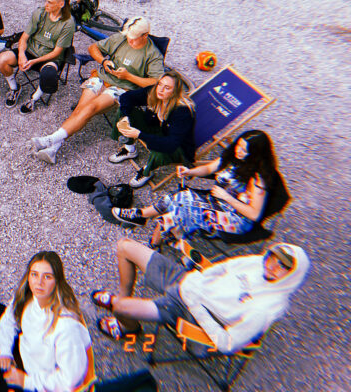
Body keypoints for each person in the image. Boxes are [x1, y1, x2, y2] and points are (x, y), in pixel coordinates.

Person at [90, 238, 309, 354]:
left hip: (190, 311)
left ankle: (129, 326)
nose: (273, 266)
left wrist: (195, 305)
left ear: (292, 276)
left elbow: (227, 343)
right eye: (273, 257)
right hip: (189, 282)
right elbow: (225, 267)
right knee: (124, 246)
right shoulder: (257, 263)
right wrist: (199, 277)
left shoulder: (266, 308)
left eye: (283, 266)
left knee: (121, 308)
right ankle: (122, 297)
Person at [113, 130, 290, 247]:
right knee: (181, 200)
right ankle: (156, 237)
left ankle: (147, 224)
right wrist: (190, 171)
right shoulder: (234, 158)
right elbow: (209, 169)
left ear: (256, 154)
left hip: (235, 218)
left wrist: (227, 197)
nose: (239, 151)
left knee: (182, 204)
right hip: (216, 203)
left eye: (245, 150)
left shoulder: (259, 179)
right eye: (239, 146)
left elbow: (254, 215)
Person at [31, 17, 164, 165]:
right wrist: (104, 61)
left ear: (145, 35)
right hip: (101, 77)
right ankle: (54, 149)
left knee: (90, 108)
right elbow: (93, 48)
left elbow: (156, 82)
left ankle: (51, 139)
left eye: (133, 39)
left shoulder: (152, 54)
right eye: (128, 37)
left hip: (122, 88)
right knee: (80, 109)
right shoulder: (122, 38)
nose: (129, 41)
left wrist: (128, 76)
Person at [0, 251, 95, 392]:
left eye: (47, 277)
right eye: (34, 274)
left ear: (57, 281)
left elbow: (70, 382)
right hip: (26, 351)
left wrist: (26, 381)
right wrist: (5, 351)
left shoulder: (66, 326)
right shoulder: (29, 297)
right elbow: (8, 319)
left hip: (40, 378)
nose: (39, 282)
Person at [107, 71, 195, 188]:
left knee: (159, 148)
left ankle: (147, 171)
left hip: (176, 147)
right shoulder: (154, 92)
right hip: (156, 129)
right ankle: (130, 150)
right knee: (125, 112)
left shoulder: (182, 111)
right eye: (160, 84)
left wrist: (139, 134)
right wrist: (126, 117)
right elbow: (126, 97)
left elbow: (171, 144)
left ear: (174, 92)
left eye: (167, 87)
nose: (161, 89)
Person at [0, 0, 76, 114]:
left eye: (50, 2)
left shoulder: (68, 23)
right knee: (1, 59)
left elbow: (57, 52)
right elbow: (24, 37)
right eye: (46, 1)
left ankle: (34, 98)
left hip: (50, 57)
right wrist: (22, 55)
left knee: (48, 74)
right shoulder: (40, 13)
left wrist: (33, 62)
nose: (46, 4)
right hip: (31, 50)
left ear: (61, 4)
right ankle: (15, 88)